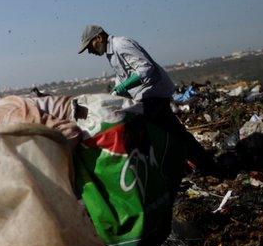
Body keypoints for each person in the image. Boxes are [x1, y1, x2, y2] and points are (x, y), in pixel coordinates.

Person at [78, 24, 217, 172]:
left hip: (154, 93)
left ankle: (206, 166)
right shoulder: (111, 53)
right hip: (146, 96)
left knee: (168, 134)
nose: (90, 51)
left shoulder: (120, 44)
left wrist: (125, 86)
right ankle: (193, 164)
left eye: (90, 46)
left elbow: (146, 68)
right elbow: (123, 75)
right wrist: (114, 93)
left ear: (99, 37)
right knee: (167, 134)